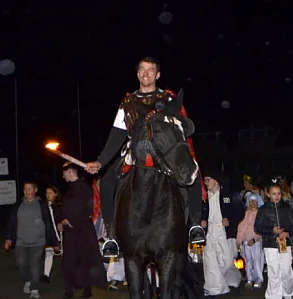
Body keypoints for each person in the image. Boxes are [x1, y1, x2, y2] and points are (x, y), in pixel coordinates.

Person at [84, 57, 205, 259]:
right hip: (136, 152)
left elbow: (182, 128)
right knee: (106, 182)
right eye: (142, 70)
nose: (146, 73)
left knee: (191, 173)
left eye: (151, 70)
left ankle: (194, 225)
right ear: (137, 74)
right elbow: (117, 135)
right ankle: (112, 236)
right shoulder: (127, 102)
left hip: (165, 152)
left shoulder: (168, 99)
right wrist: (100, 161)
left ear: (157, 75)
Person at [58, 163, 106, 299]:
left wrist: (70, 220)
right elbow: (65, 209)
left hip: (82, 230)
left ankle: (86, 288)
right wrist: (61, 221)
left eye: (64, 173)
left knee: (84, 259)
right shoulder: (71, 189)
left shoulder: (84, 188)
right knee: (69, 261)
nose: (63, 176)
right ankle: (69, 290)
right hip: (71, 231)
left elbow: (85, 209)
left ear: (70, 172)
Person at [4, 182, 59, 299]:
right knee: (21, 263)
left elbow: (49, 224)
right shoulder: (18, 205)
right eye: (25, 189)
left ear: (35, 190)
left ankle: (34, 288)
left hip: (38, 241)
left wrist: (54, 242)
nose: (28, 192)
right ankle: (28, 280)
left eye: (30, 189)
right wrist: (8, 238)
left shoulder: (41, 205)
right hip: (21, 241)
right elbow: (12, 223)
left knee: (35, 264)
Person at [255, 184, 293, 299]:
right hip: (270, 245)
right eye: (274, 194)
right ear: (268, 194)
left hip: (285, 243)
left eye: (279, 193)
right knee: (273, 272)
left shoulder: (287, 207)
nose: (277, 196)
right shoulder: (263, 209)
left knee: (286, 270)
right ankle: (273, 298)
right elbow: (257, 227)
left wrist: (287, 232)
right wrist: (271, 230)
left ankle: (288, 293)